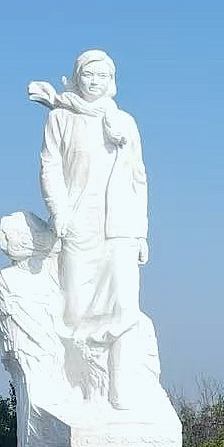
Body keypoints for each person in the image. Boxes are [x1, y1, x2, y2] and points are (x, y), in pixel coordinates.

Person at [29, 49, 149, 409]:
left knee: (124, 305)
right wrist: (59, 210)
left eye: (101, 76)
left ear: (112, 80)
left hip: (120, 227)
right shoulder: (60, 118)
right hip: (78, 223)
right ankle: (80, 386)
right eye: (88, 75)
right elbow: (49, 166)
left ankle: (119, 387)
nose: (94, 82)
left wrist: (141, 233)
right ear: (77, 76)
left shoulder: (123, 122)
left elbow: (139, 178)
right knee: (76, 308)